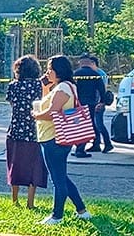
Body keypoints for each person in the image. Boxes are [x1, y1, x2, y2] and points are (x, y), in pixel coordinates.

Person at [32, 55, 92, 225]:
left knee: (57, 180)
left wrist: (36, 116)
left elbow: (52, 112)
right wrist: (46, 86)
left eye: (50, 69)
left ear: (59, 70)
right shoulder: (63, 87)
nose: (47, 72)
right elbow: (45, 102)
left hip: (54, 138)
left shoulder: (62, 89)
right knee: (62, 177)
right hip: (52, 137)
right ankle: (81, 210)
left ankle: (57, 215)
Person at [5, 55, 47, 209]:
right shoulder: (38, 85)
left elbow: (11, 103)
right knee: (34, 166)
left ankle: (15, 201)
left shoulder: (13, 85)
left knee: (14, 165)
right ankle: (30, 202)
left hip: (15, 130)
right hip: (34, 131)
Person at [72, 54, 106, 158]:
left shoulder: (75, 74)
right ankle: (85, 148)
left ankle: (79, 148)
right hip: (91, 104)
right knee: (88, 126)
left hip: (78, 104)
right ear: (89, 62)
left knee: (78, 126)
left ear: (81, 62)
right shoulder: (95, 74)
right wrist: (102, 102)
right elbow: (102, 90)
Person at [89, 56, 113, 153]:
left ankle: (108, 143)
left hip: (99, 103)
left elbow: (102, 90)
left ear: (93, 64)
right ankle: (96, 144)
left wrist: (101, 102)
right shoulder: (94, 74)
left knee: (99, 124)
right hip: (95, 102)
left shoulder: (101, 74)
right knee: (94, 124)